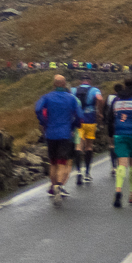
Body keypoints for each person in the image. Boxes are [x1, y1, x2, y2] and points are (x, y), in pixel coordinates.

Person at [35, 74, 84, 203]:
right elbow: (79, 115)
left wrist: (44, 122)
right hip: (65, 133)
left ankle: (53, 185)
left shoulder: (47, 97)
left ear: (54, 84)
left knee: (53, 162)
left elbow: (38, 108)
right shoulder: (71, 98)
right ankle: (58, 186)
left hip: (50, 133)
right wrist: (74, 125)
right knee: (62, 162)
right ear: (64, 84)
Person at [111, 77, 132, 207]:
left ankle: (118, 190)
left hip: (119, 133)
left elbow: (110, 116)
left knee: (122, 162)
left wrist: (111, 134)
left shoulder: (116, 99)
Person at [72, 77, 103, 185]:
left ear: (81, 81)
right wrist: (98, 110)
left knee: (78, 146)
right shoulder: (94, 90)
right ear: (89, 81)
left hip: (78, 121)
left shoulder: (74, 90)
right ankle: (87, 173)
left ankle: (78, 171)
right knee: (89, 146)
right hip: (90, 120)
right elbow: (99, 99)